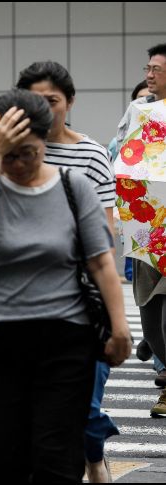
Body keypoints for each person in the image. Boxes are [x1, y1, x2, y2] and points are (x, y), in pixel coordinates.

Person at [0, 89, 131, 482]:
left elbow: (101, 261)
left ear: (44, 142)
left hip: (65, 341)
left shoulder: (74, 187)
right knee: (3, 464)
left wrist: (120, 328)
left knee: (58, 464)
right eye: (9, 155)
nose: (18, 164)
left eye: (29, 153)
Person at [16, 60, 119, 482]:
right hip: (24, 302)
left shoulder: (91, 155)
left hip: (82, 300)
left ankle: (93, 455)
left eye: (52, 100)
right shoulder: (10, 152)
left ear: (70, 103)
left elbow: (105, 235)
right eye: (34, 100)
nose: (43, 108)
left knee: (84, 408)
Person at [116, 42, 166, 419]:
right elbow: (122, 158)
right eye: (147, 69)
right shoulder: (139, 111)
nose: (148, 75)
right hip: (147, 228)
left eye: (156, 69)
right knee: (150, 321)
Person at [110, 81, 150, 283]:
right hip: (134, 214)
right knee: (134, 273)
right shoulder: (118, 142)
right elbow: (113, 178)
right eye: (140, 100)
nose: (145, 104)